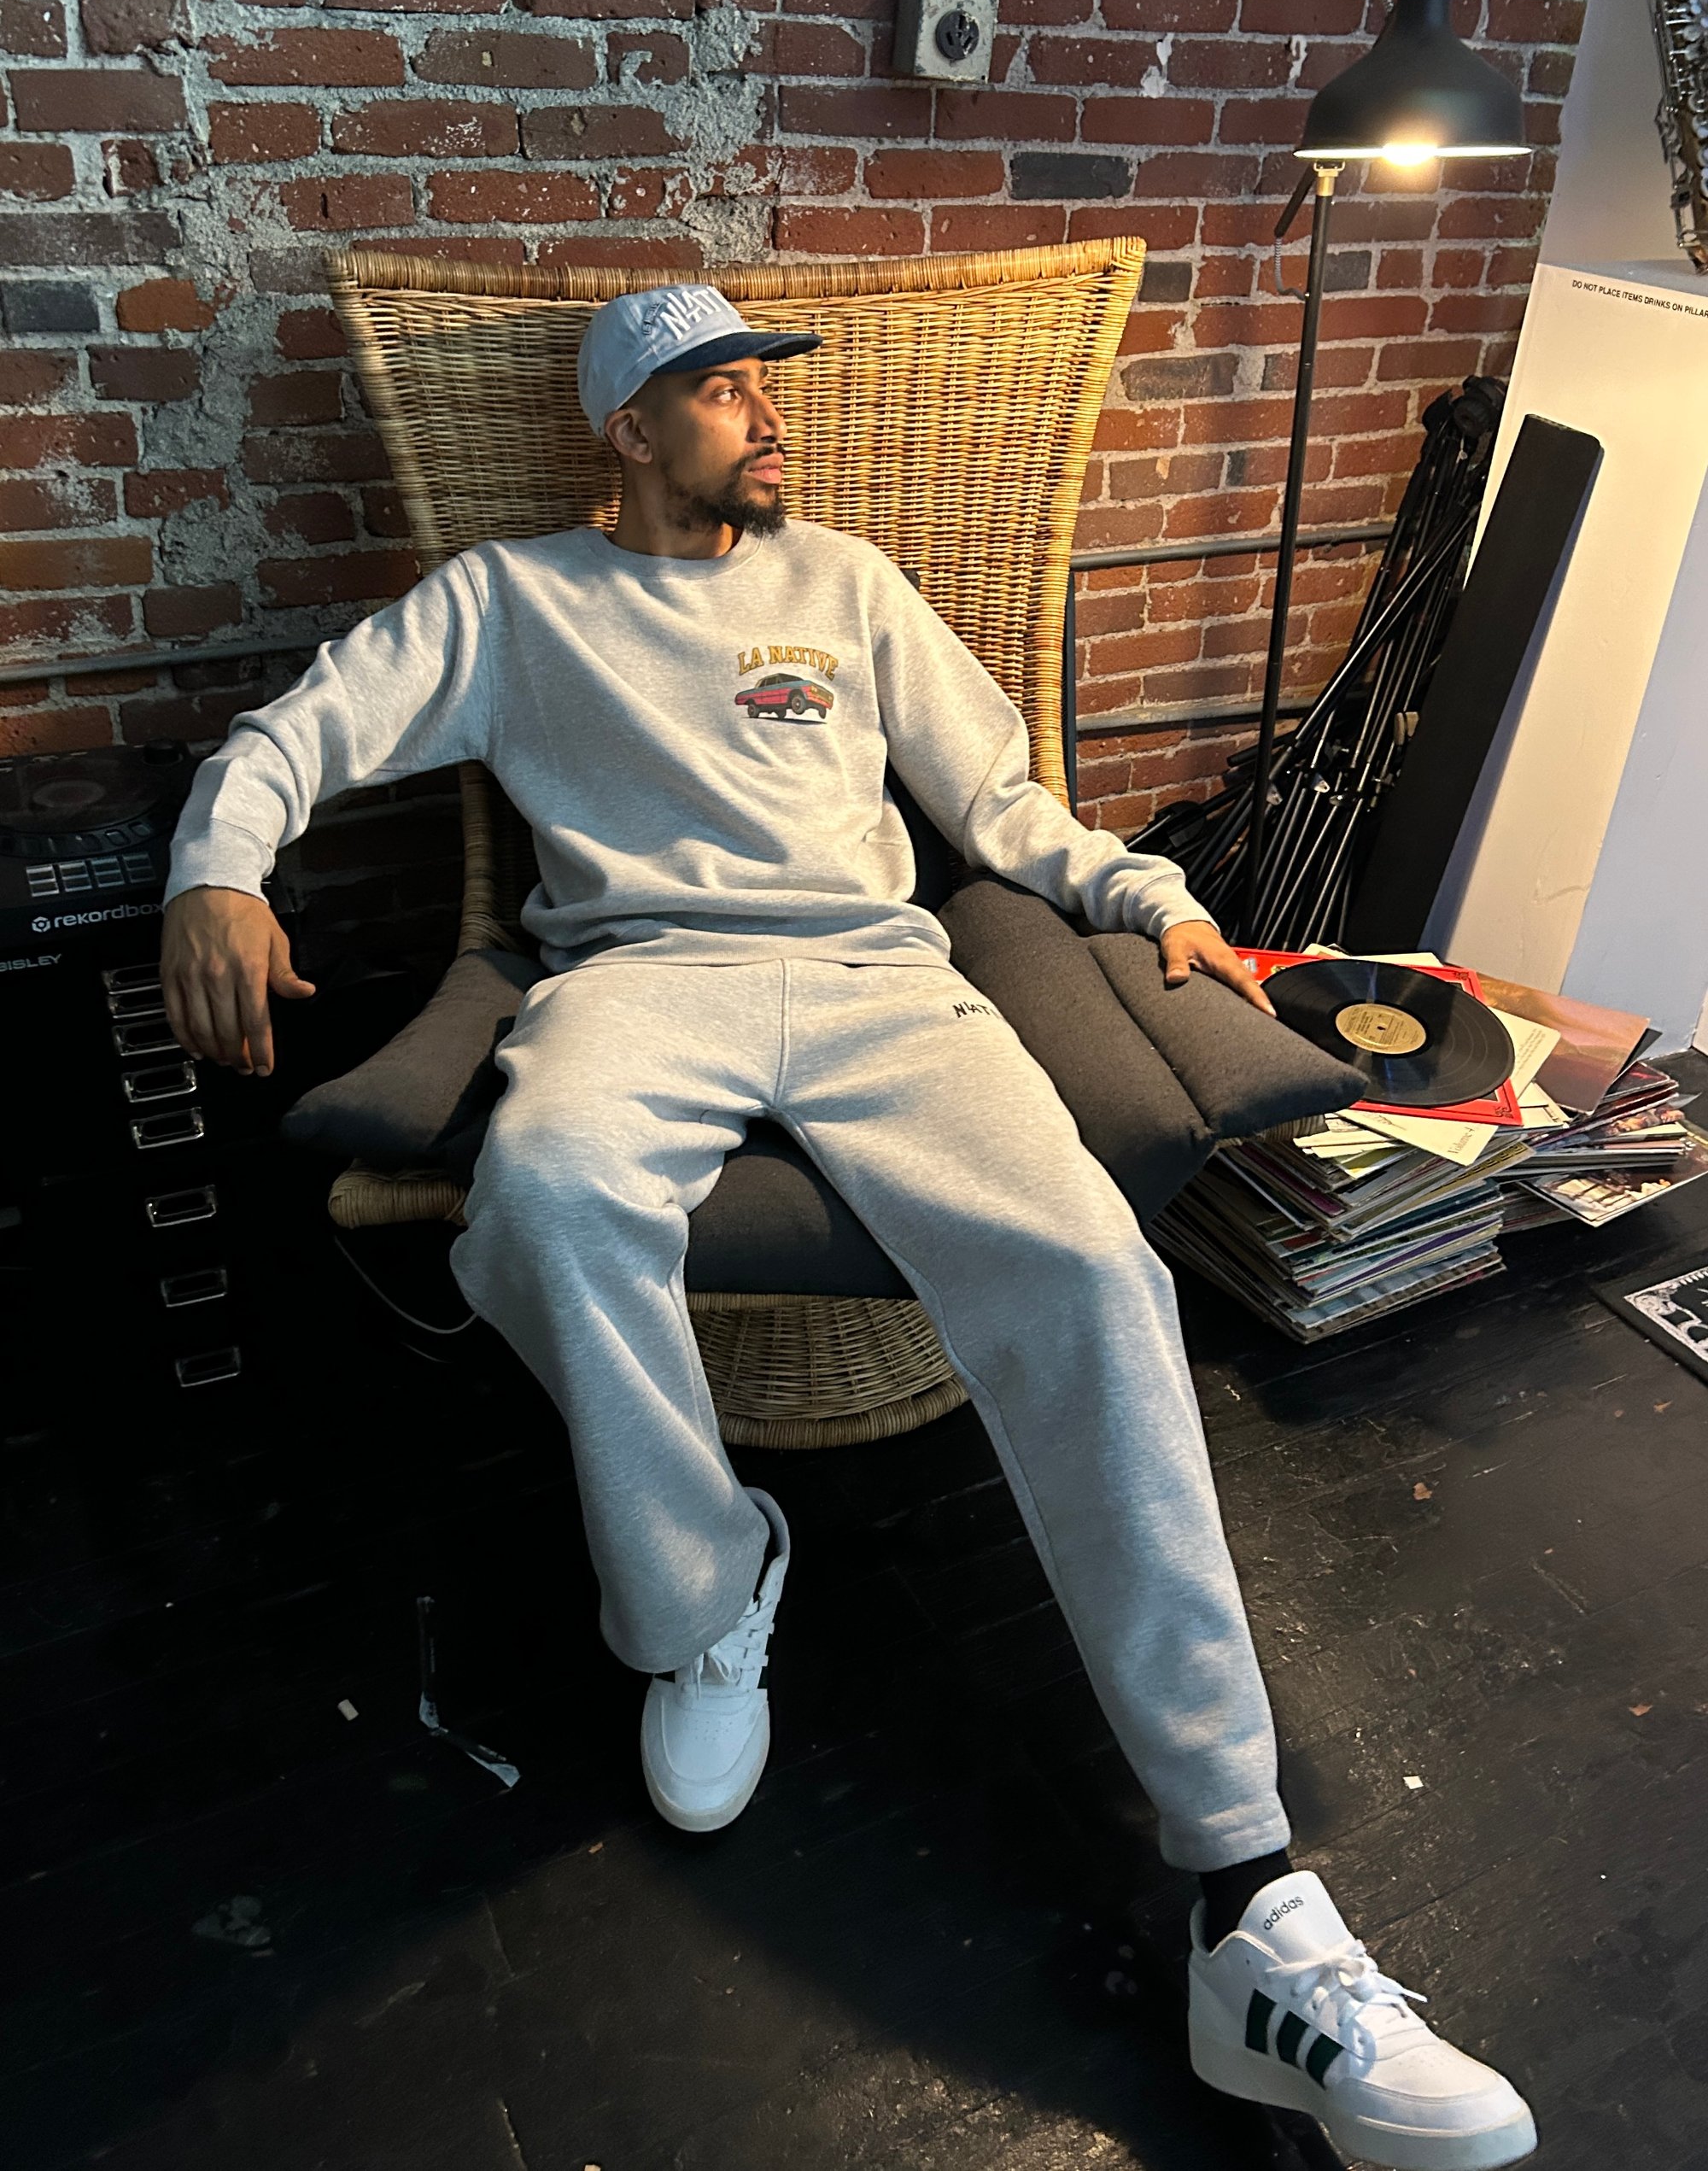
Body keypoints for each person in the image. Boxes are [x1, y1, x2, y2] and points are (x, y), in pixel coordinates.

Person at [160, 284, 1536, 2171]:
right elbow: (295, 732)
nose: (766, 414)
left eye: (762, 385)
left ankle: (1249, 1898)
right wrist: (218, 869)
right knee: (539, 1200)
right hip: (639, 982)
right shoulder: (511, 603)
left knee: (1092, 1269)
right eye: (722, 390)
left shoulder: (853, 584)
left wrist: (1151, 900)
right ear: (627, 428)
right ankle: (705, 1595)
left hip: (884, 984)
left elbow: (1001, 798)